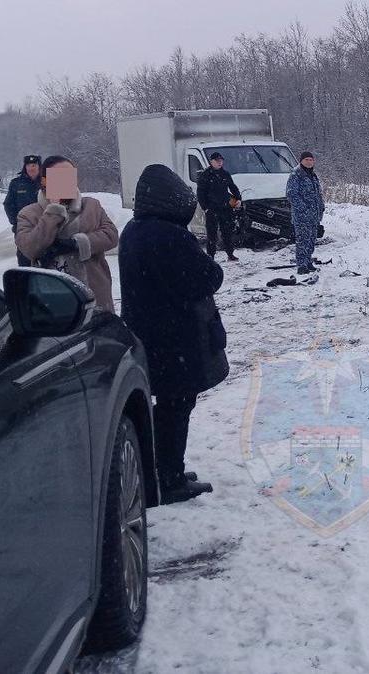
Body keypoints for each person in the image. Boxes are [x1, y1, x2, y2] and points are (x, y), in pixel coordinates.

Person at [119, 164, 225, 505]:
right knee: (175, 407)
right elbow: (206, 277)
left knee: (166, 406)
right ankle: (169, 479)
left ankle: (156, 472)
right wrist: (211, 266)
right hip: (176, 337)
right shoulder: (170, 236)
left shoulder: (132, 231)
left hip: (148, 335)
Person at [15, 156, 119, 312]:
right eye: (60, 177)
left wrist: (78, 243)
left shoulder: (91, 206)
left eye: (71, 176)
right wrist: (53, 210)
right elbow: (30, 248)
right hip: (53, 301)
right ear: (44, 182)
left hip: (96, 296)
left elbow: (111, 235)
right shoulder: (29, 214)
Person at [196, 151, 243, 261]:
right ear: (211, 162)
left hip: (225, 208)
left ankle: (230, 254)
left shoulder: (225, 174)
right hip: (212, 209)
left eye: (221, 161)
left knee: (227, 232)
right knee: (212, 234)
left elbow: (233, 187)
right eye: (217, 161)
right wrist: (205, 208)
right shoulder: (205, 175)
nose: (220, 163)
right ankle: (211, 256)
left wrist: (238, 198)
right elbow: (200, 193)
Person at [286, 151, 324, 276]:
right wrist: (303, 208)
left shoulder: (313, 175)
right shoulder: (296, 174)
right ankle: (301, 265)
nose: (309, 162)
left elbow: (317, 194)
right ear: (301, 161)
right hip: (302, 216)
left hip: (314, 216)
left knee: (311, 240)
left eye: (311, 160)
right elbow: (292, 194)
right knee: (302, 240)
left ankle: (308, 262)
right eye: (306, 159)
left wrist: (321, 207)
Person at [3, 154, 43, 266]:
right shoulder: (16, 183)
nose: (31, 168)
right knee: (24, 261)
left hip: (45, 227)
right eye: (28, 165)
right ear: (25, 167)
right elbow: (8, 204)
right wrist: (16, 223)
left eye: (34, 165)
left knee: (46, 260)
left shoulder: (47, 181)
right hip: (23, 229)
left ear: (39, 166)